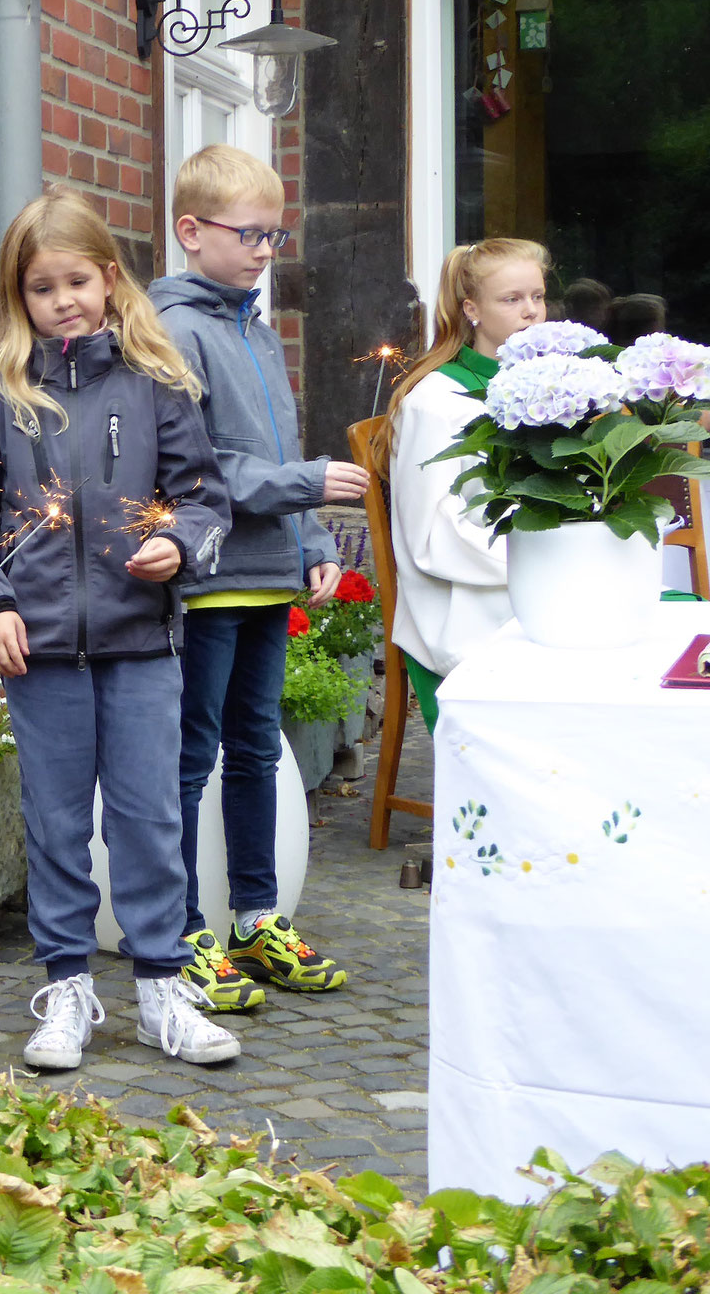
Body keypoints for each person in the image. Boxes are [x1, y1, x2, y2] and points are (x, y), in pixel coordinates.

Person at [0, 190, 238, 1071]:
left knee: (148, 817)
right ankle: (66, 986)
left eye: (76, 280)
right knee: (57, 821)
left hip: (142, 643)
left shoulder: (158, 387)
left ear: (110, 279)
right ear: (16, 297)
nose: (62, 300)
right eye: (40, 287)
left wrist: (177, 545)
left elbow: (205, 497)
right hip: (39, 654)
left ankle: (159, 990)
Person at [150, 144, 361, 1010]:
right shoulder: (173, 331)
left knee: (255, 755)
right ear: (191, 232)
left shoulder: (257, 330)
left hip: (269, 578)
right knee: (189, 759)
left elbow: (273, 446)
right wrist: (306, 484)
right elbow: (198, 469)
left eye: (275, 235)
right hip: (207, 584)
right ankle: (182, 931)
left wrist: (310, 535)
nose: (265, 250)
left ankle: (256, 918)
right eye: (250, 234)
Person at [378, 240, 547, 732]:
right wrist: (549, 564)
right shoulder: (438, 401)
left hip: (524, 583)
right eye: (511, 299)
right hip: (468, 606)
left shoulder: (548, 390)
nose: (531, 312)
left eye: (537, 296)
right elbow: (433, 536)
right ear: (471, 309)